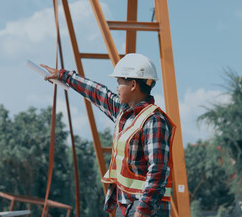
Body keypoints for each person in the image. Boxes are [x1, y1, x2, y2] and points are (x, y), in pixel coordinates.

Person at [41, 53, 175, 217]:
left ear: (133, 85)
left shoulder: (154, 121)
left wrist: (142, 210)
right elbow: (97, 92)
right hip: (126, 205)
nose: (117, 87)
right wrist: (64, 76)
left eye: (119, 82)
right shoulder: (124, 113)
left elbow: (158, 170)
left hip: (146, 209)